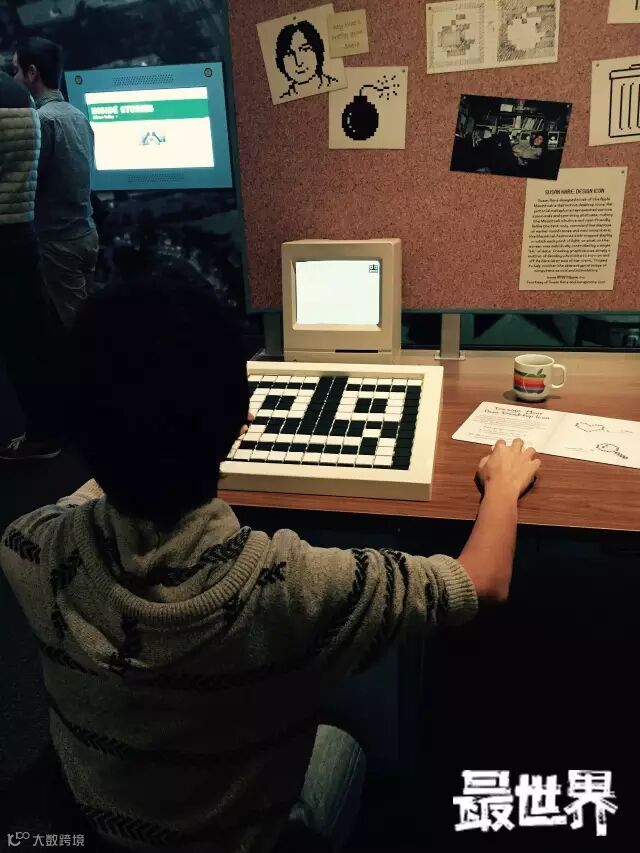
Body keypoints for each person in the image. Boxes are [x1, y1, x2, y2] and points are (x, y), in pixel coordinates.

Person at [0, 271, 540, 853]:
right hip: (240, 840)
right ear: (241, 425)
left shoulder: (28, 547)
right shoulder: (296, 587)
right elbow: (482, 581)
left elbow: (80, 501)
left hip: (97, 823)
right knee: (343, 743)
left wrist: (120, 446)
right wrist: (503, 486)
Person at [13, 37, 99, 330]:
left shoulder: (42, 121)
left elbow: (32, 181)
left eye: (16, 70)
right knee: (90, 315)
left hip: (58, 241)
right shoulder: (79, 117)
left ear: (32, 73)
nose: (14, 78)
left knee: (77, 328)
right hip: (86, 235)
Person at [0, 70, 61, 462]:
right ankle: (50, 428)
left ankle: (40, 435)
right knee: (33, 334)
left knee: (19, 344)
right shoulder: (20, 95)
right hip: (22, 231)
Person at [275, 20, 338, 99]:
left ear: (317, 49)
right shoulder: (284, 97)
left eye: (305, 50)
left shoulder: (335, 86)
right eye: (289, 54)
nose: (298, 62)